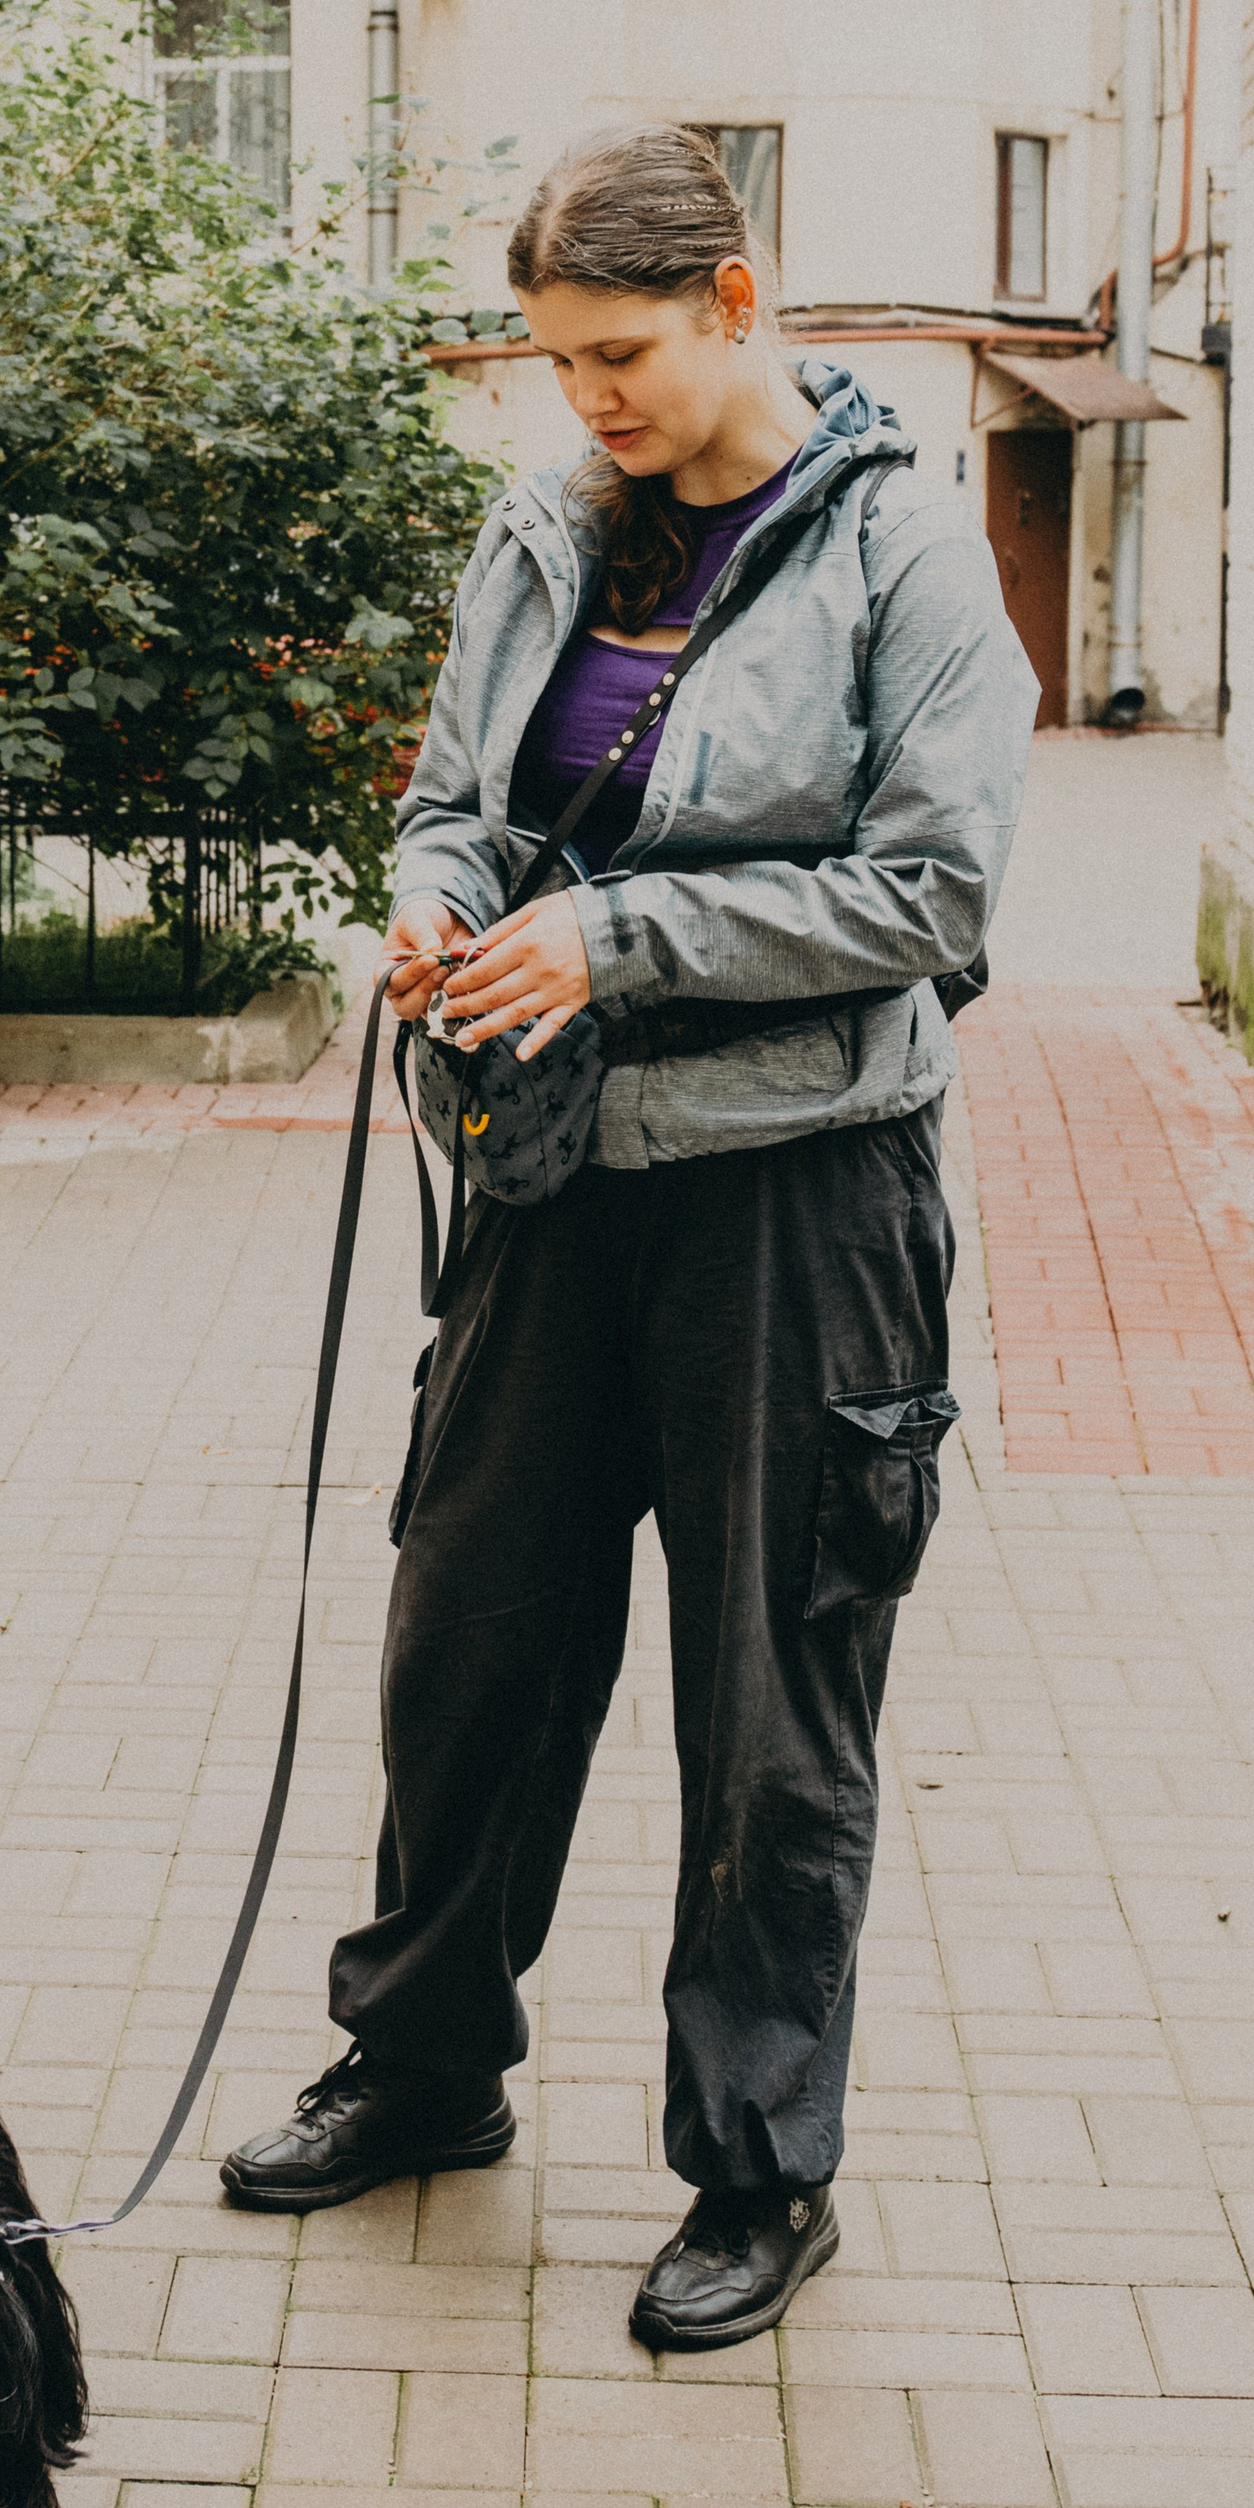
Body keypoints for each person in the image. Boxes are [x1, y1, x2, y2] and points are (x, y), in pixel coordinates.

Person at [219, 123, 1036, 2352]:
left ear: (736, 302)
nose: (586, 399)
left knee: (772, 1702)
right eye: (555, 361)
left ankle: (756, 2170)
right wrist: (439, 908)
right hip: (544, 1176)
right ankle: (419, 2066)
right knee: (467, 1640)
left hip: (800, 1195)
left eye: (621, 353)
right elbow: (454, 804)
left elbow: (932, 897)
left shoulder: (898, 553)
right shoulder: (544, 523)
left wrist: (612, 936)